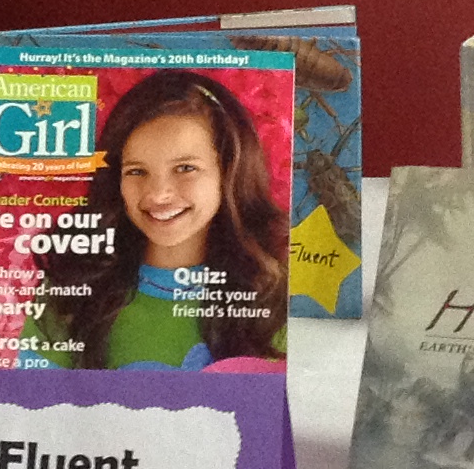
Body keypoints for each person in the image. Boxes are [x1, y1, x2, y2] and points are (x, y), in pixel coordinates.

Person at [26, 68, 288, 370]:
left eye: (185, 168)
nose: (159, 194)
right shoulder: (71, 286)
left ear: (230, 172)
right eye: (136, 171)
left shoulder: (272, 293)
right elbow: (32, 396)